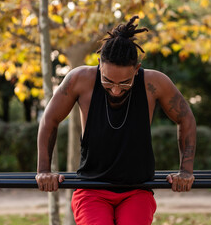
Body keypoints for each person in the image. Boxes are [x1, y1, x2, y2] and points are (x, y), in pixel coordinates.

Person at [36, 15, 196, 225]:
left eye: (125, 83)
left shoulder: (154, 83)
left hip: (137, 190)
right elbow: (49, 120)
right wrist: (44, 171)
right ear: (100, 64)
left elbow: (186, 120)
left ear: (136, 69)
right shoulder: (79, 79)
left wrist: (185, 171)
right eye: (108, 81)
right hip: (92, 189)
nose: (116, 89)